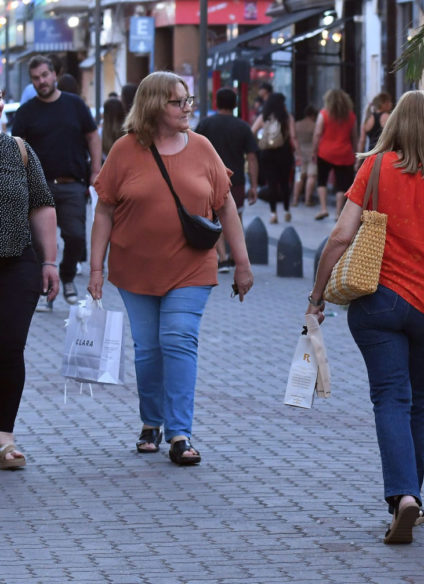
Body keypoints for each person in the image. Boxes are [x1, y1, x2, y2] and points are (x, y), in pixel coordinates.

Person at [307, 90, 424, 544]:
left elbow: (340, 235)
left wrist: (317, 296)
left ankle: (403, 497)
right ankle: (413, 500)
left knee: (391, 397)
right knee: (417, 399)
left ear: (396, 124)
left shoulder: (375, 168)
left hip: (379, 304)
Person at [87, 71, 254, 466]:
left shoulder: (203, 148)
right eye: (177, 102)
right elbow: (104, 211)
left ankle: (180, 432)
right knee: (148, 349)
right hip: (135, 268)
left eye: (188, 100)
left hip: (190, 267)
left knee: (178, 340)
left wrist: (243, 263)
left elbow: (226, 205)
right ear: (153, 106)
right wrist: (95, 269)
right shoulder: (125, 150)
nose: (186, 108)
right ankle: (152, 421)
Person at [12, 55, 101, 310]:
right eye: (36, 78)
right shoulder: (26, 112)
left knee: (76, 237)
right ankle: (44, 290)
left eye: (44, 75)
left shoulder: (75, 105)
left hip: (72, 183)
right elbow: (17, 149)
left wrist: (96, 170)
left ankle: (68, 275)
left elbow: (93, 136)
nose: (41, 81)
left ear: (54, 75)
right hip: (38, 189)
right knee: (39, 243)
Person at [0, 113, 59, 469]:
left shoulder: (17, 150)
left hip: (16, 262)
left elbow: (41, 204)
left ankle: (3, 438)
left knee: (9, 347)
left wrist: (49, 261)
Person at [196, 86, 259, 270]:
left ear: (216, 103)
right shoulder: (243, 127)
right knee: (236, 216)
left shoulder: (205, 124)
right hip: (236, 179)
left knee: (213, 217)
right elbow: (252, 158)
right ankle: (234, 256)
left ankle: (222, 257)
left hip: (209, 179)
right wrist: (254, 185)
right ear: (235, 104)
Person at [251, 92, 296, 224]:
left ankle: (273, 214)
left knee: (271, 184)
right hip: (284, 153)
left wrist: (260, 142)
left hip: (267, 153)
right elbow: (293, 136)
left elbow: (252, 131)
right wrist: (297, 152)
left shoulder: (263, 117)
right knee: (284, 183)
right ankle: (286, 211)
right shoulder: (287, 117)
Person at [313, 89, 358, 221]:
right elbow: (354, 136)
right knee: (342, 184)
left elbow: (317, 133)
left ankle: (323, 208)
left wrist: (314, 150)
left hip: (325, 152)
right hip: (344, 153)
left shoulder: (324, 114)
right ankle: (338, 212)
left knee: (322, 180)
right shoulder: (351, 116)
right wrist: (355, 152)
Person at [291, 104, 318, 207]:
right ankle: (308, 200)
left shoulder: (297, 124)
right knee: (311, 176)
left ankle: (295, 200)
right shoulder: (314, 125)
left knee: (299, 176)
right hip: (312, 153)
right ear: (313, 115)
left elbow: (293, 137)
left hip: (299, 153)